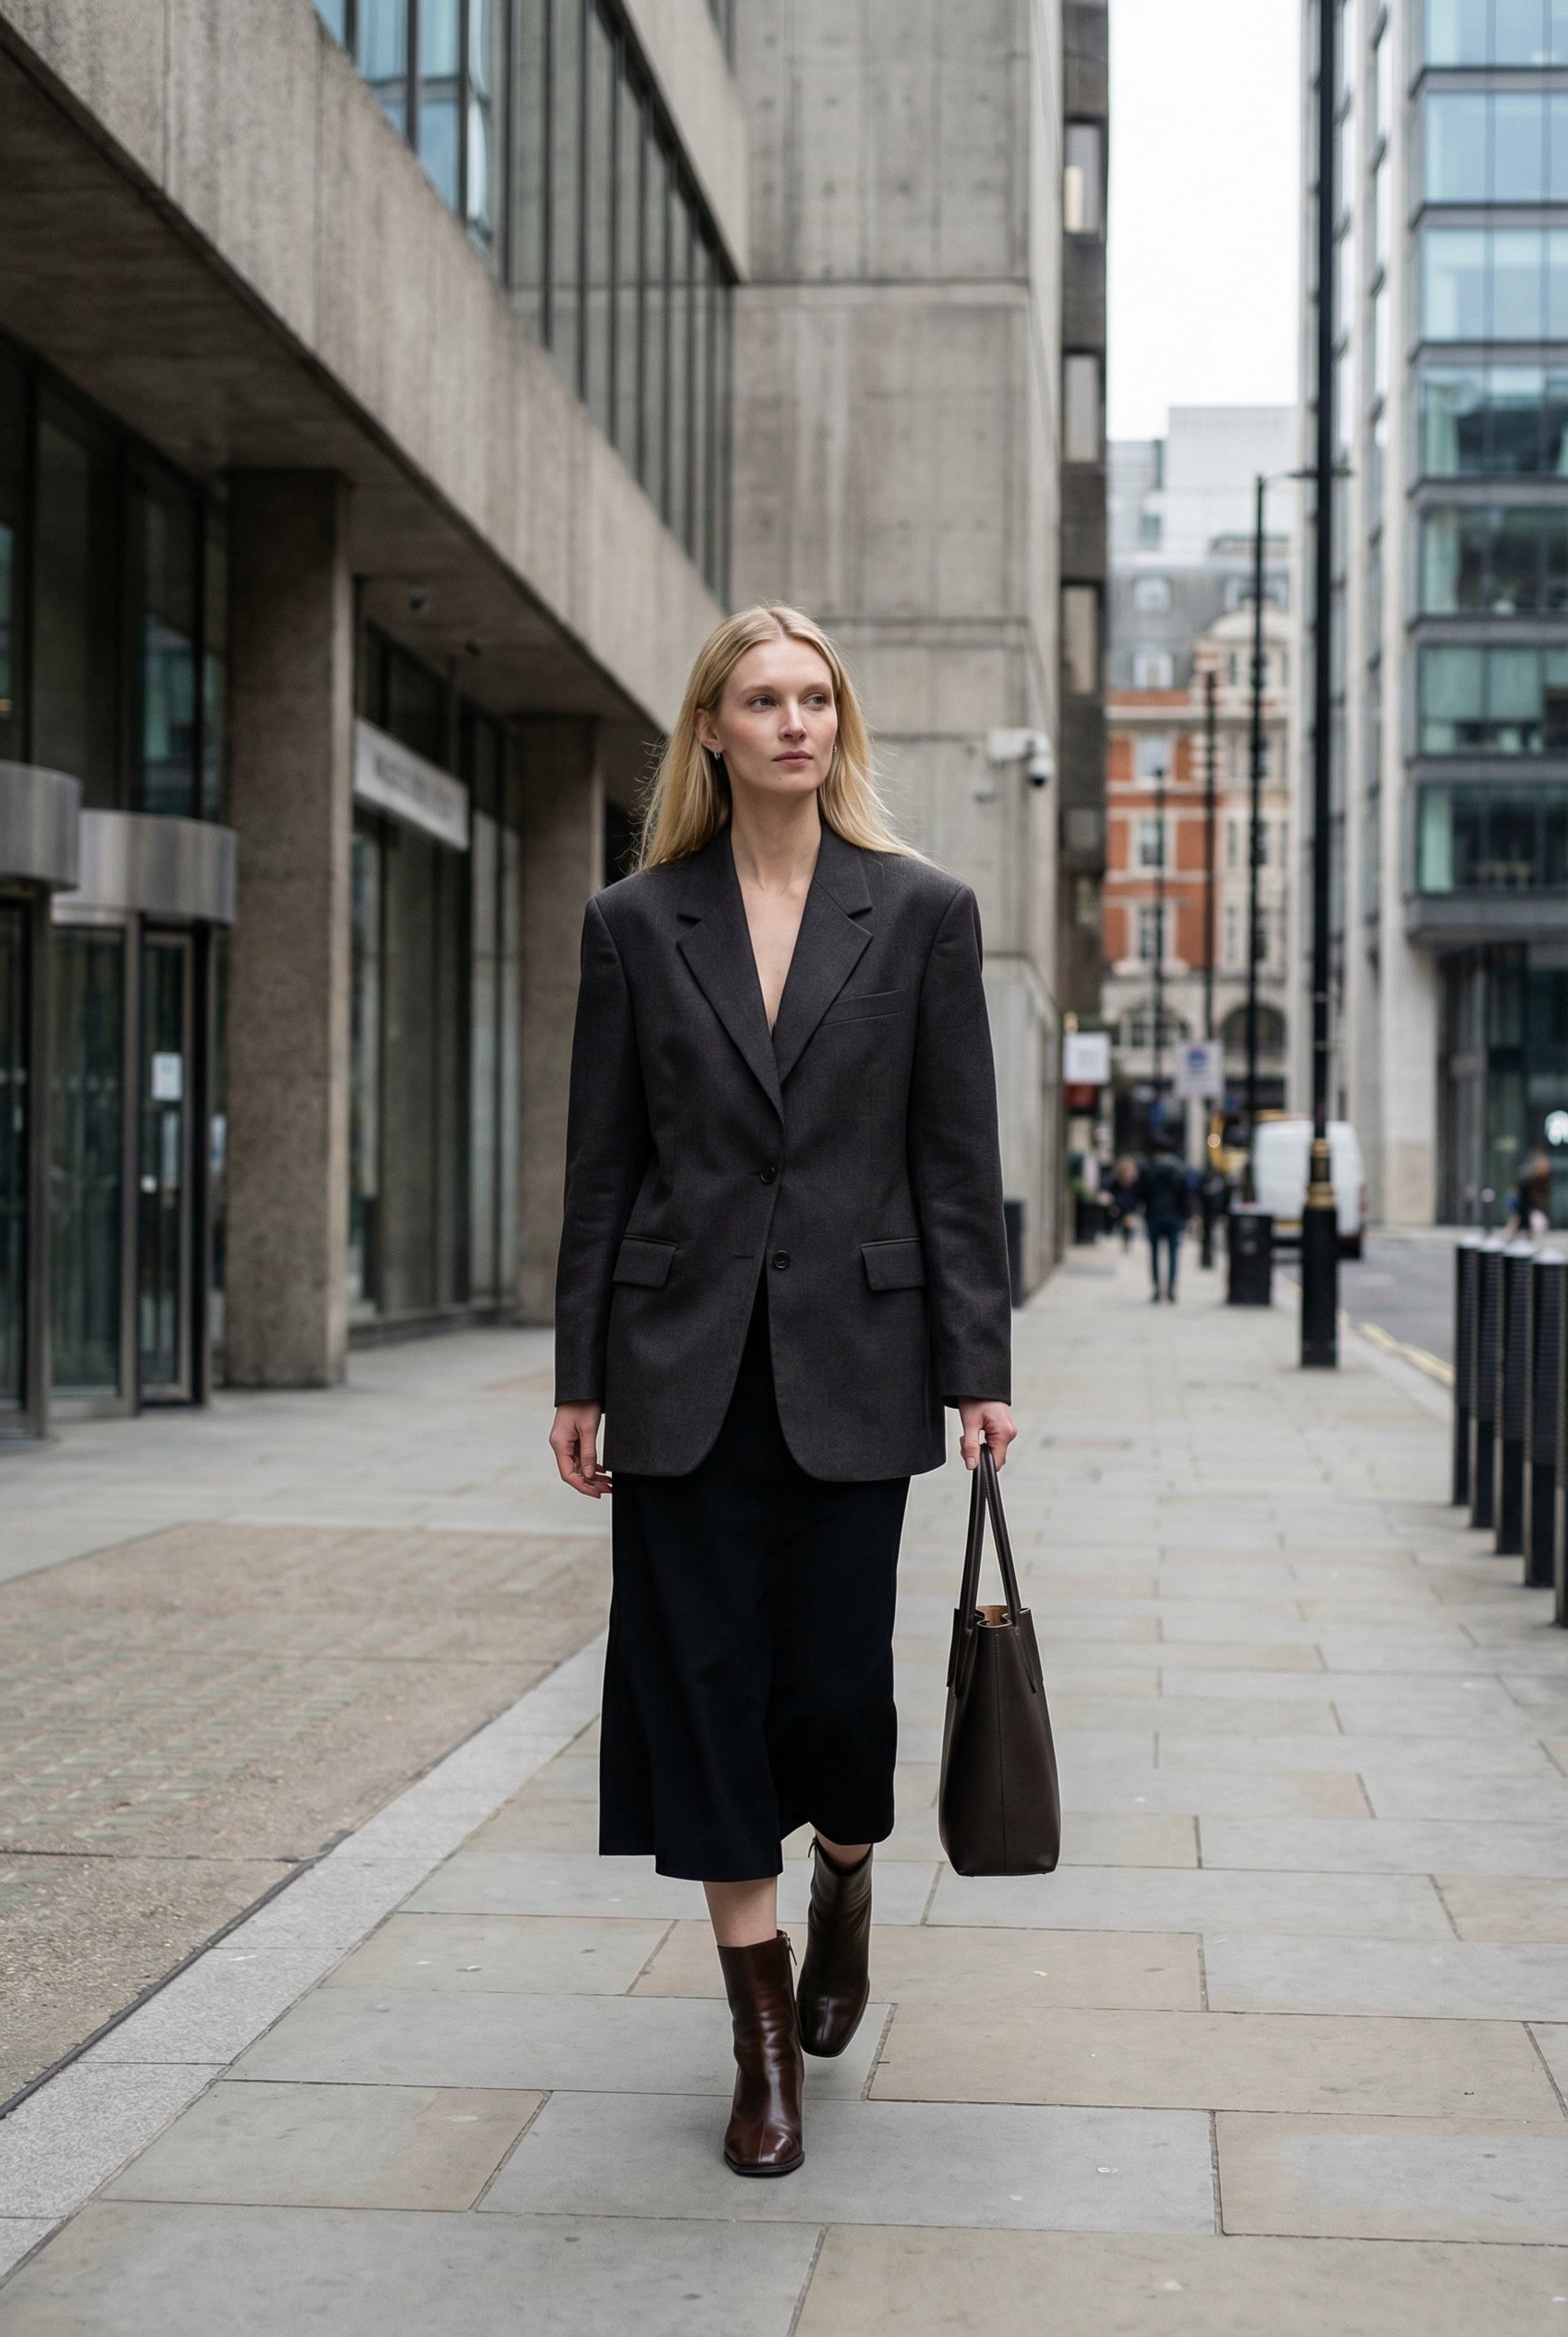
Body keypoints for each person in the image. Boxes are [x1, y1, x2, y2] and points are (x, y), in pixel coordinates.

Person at [550, 605, 1016, 2179]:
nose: (796, 722)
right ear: (712, 730)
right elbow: (601, 1166)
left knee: (833, 1695)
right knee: (704, 1689)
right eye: (763, 699)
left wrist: (981, 1369)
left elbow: (956, 1164)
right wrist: (577, 1376)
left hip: (854, 1365)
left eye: (817, 697)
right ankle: (759, 2048)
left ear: (841, 725)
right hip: (677, 1367)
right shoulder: (635, 923)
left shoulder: (923, 912)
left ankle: (850, 1878)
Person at [1136, 1136, 1191, 1302]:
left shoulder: (1147, 1168)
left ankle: (1157, 1289)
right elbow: (1185, 1194)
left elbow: (1141, 1192)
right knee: (1173, 1253)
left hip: (1154, 1215)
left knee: (1154, 1253)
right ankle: (1171, 1288)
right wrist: (1185, 1215)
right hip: (1174, 1215)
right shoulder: (1179, 1168)